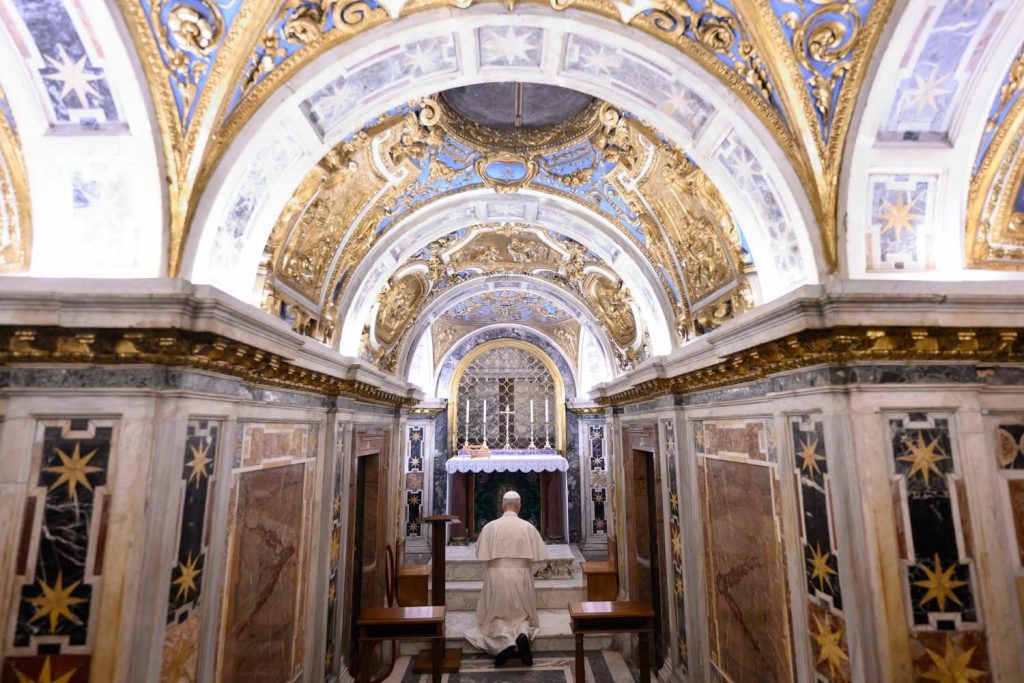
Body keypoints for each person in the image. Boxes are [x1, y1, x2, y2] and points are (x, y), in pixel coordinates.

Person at [464, 490, 547, 666]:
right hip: (521, 575)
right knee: (521, 615)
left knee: (495, 617)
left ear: (503, 505)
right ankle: (523, 634)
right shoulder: (528, 527)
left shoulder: (490, 527)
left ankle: (504, 643)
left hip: (497, 575)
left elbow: (480, 554)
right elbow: (540, 559)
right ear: (519, 506)